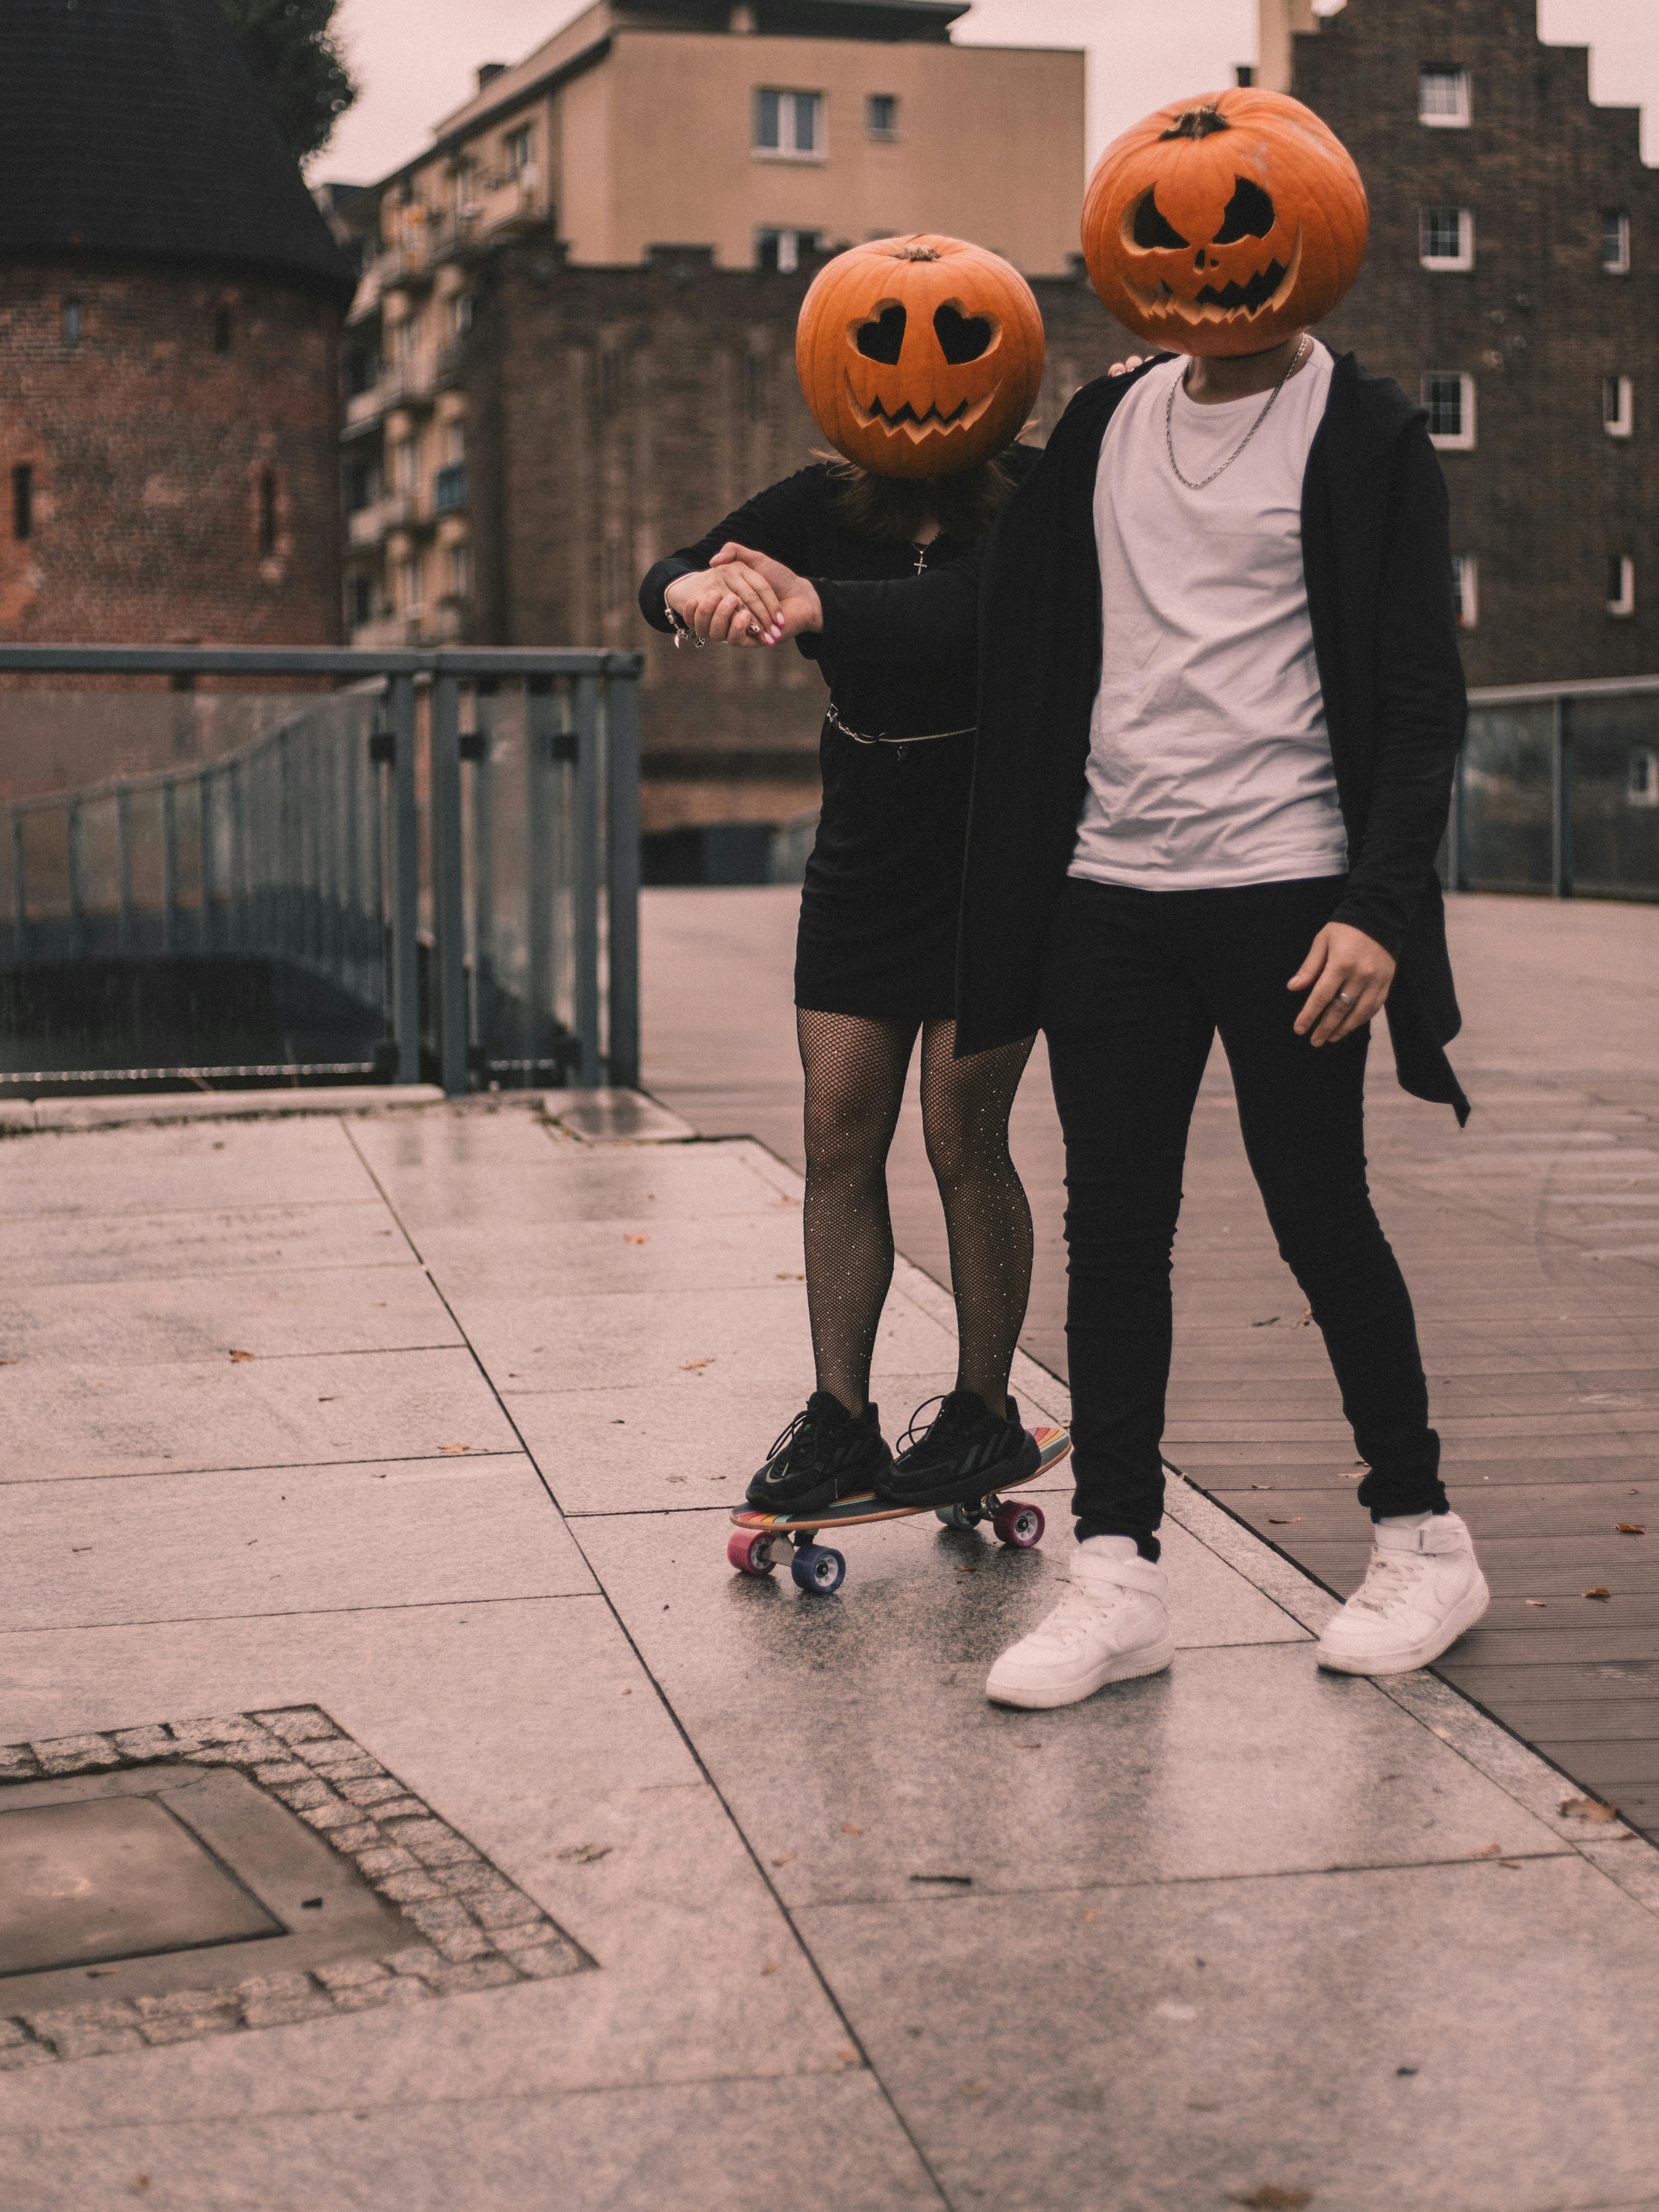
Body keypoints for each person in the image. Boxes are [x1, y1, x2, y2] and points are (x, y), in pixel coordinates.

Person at [706, 99, 1490, 1701]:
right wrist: (818, 610)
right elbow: (998, 623)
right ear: (1123, 259)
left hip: (1290, 898)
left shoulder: (1366, 434)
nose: (1199, 259)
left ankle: (1422, 1539)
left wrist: (1382, 907)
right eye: (1160, 231)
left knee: (1315, 1208)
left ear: (1304, 240)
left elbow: (1419, 694)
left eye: (1232, 230)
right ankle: (1118, 1568)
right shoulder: (1113, 428)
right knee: (1114, 1232)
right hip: (1111, 896)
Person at [637, 241, 1051, 1521]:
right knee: (838, 1134)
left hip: (1000, 842)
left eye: (953, 349)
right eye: (879, 350)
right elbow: (668, 571)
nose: (916, 382)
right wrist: (697, 590)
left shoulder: (1035, 502)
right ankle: (843, 1417)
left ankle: (984, 1412)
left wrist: (817, 608)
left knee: (961, 1134)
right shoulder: (818, 502)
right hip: (868, 843)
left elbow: (970, 618)